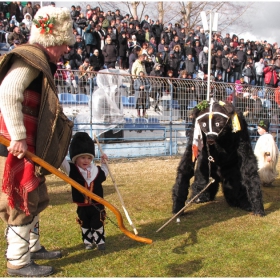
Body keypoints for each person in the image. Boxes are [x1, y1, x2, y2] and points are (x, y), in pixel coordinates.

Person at [0, 6, 75, 277]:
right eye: (64, 43)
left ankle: (32, 247)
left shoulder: (39, 59)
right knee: (21, 201)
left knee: (35, 196)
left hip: (26, 146)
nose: (67, 49)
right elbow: (8, 91)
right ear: (52, 40)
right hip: (14, 147)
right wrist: (18, 136)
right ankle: (18, 262)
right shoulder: (30, 57)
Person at [60, 132, 108, 250]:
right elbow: (62, 162)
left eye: (89, 158)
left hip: (97, 204)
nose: (86, 160)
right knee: (84, 223)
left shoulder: (96, 170)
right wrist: (62, 151)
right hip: (82, 205)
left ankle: (100, 241)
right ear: (75, 159)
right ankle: (88, 241)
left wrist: (104, 163)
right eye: (82, 157)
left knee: (98, 223)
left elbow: (104, 173)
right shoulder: (72, 170)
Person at [254, 120, 279, 187]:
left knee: (265, 169)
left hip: (265, 158)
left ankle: (266, 182)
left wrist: (268, 155)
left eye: (259, 129)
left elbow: (268, 147)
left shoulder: (266, 137)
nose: (258, 130)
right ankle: (264, 181)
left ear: (264, 129)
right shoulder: (266, 137)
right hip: (261, 158)